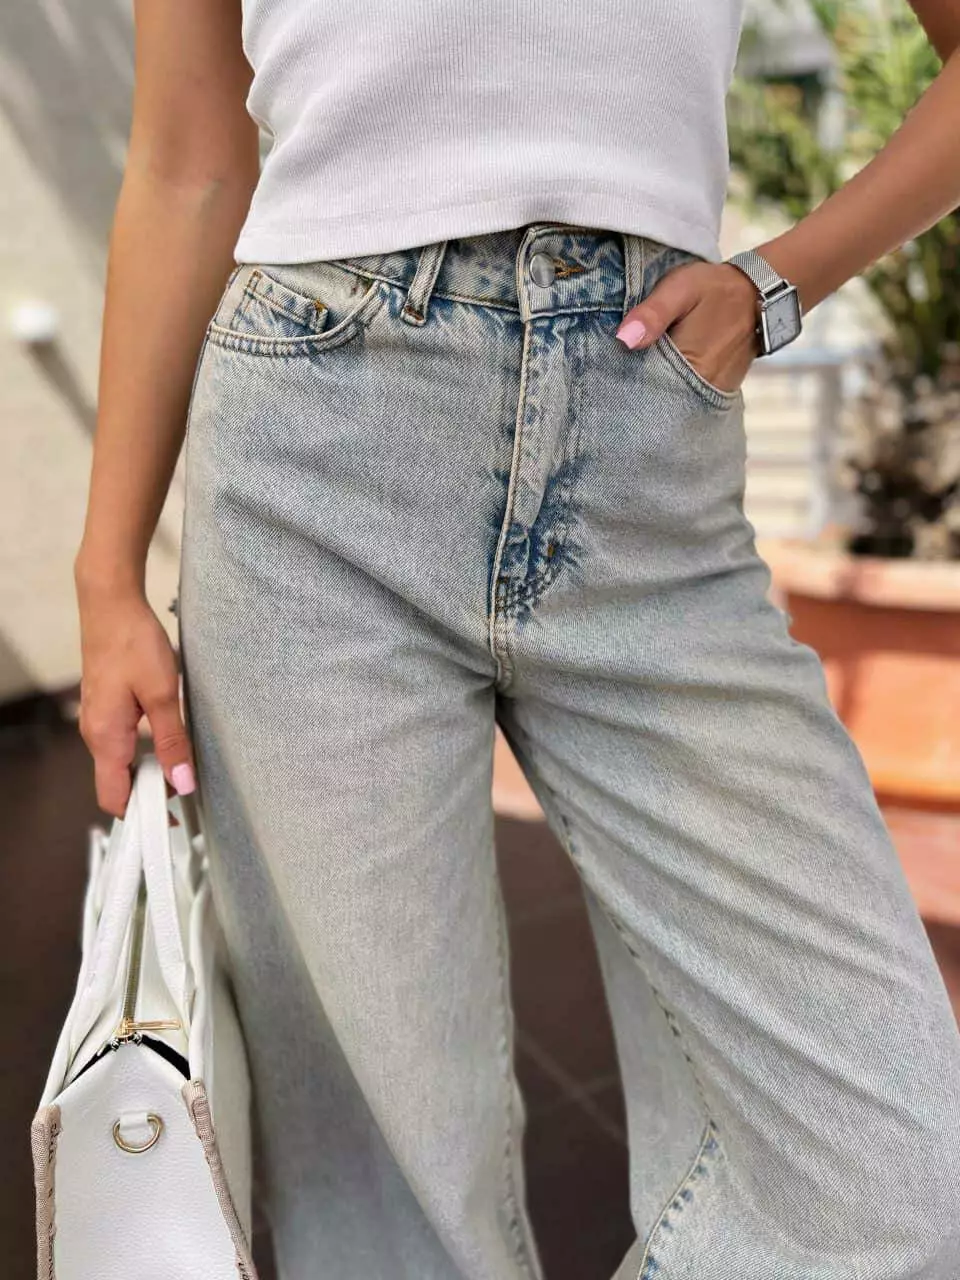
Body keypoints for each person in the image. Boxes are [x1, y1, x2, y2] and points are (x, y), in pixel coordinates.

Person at [74, 1, 960, 1276]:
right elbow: (186, 162)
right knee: (385, 1208)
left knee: (891, 1167)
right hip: (311, 455)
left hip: (646, 445)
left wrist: (778, 282)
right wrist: (107, 574)